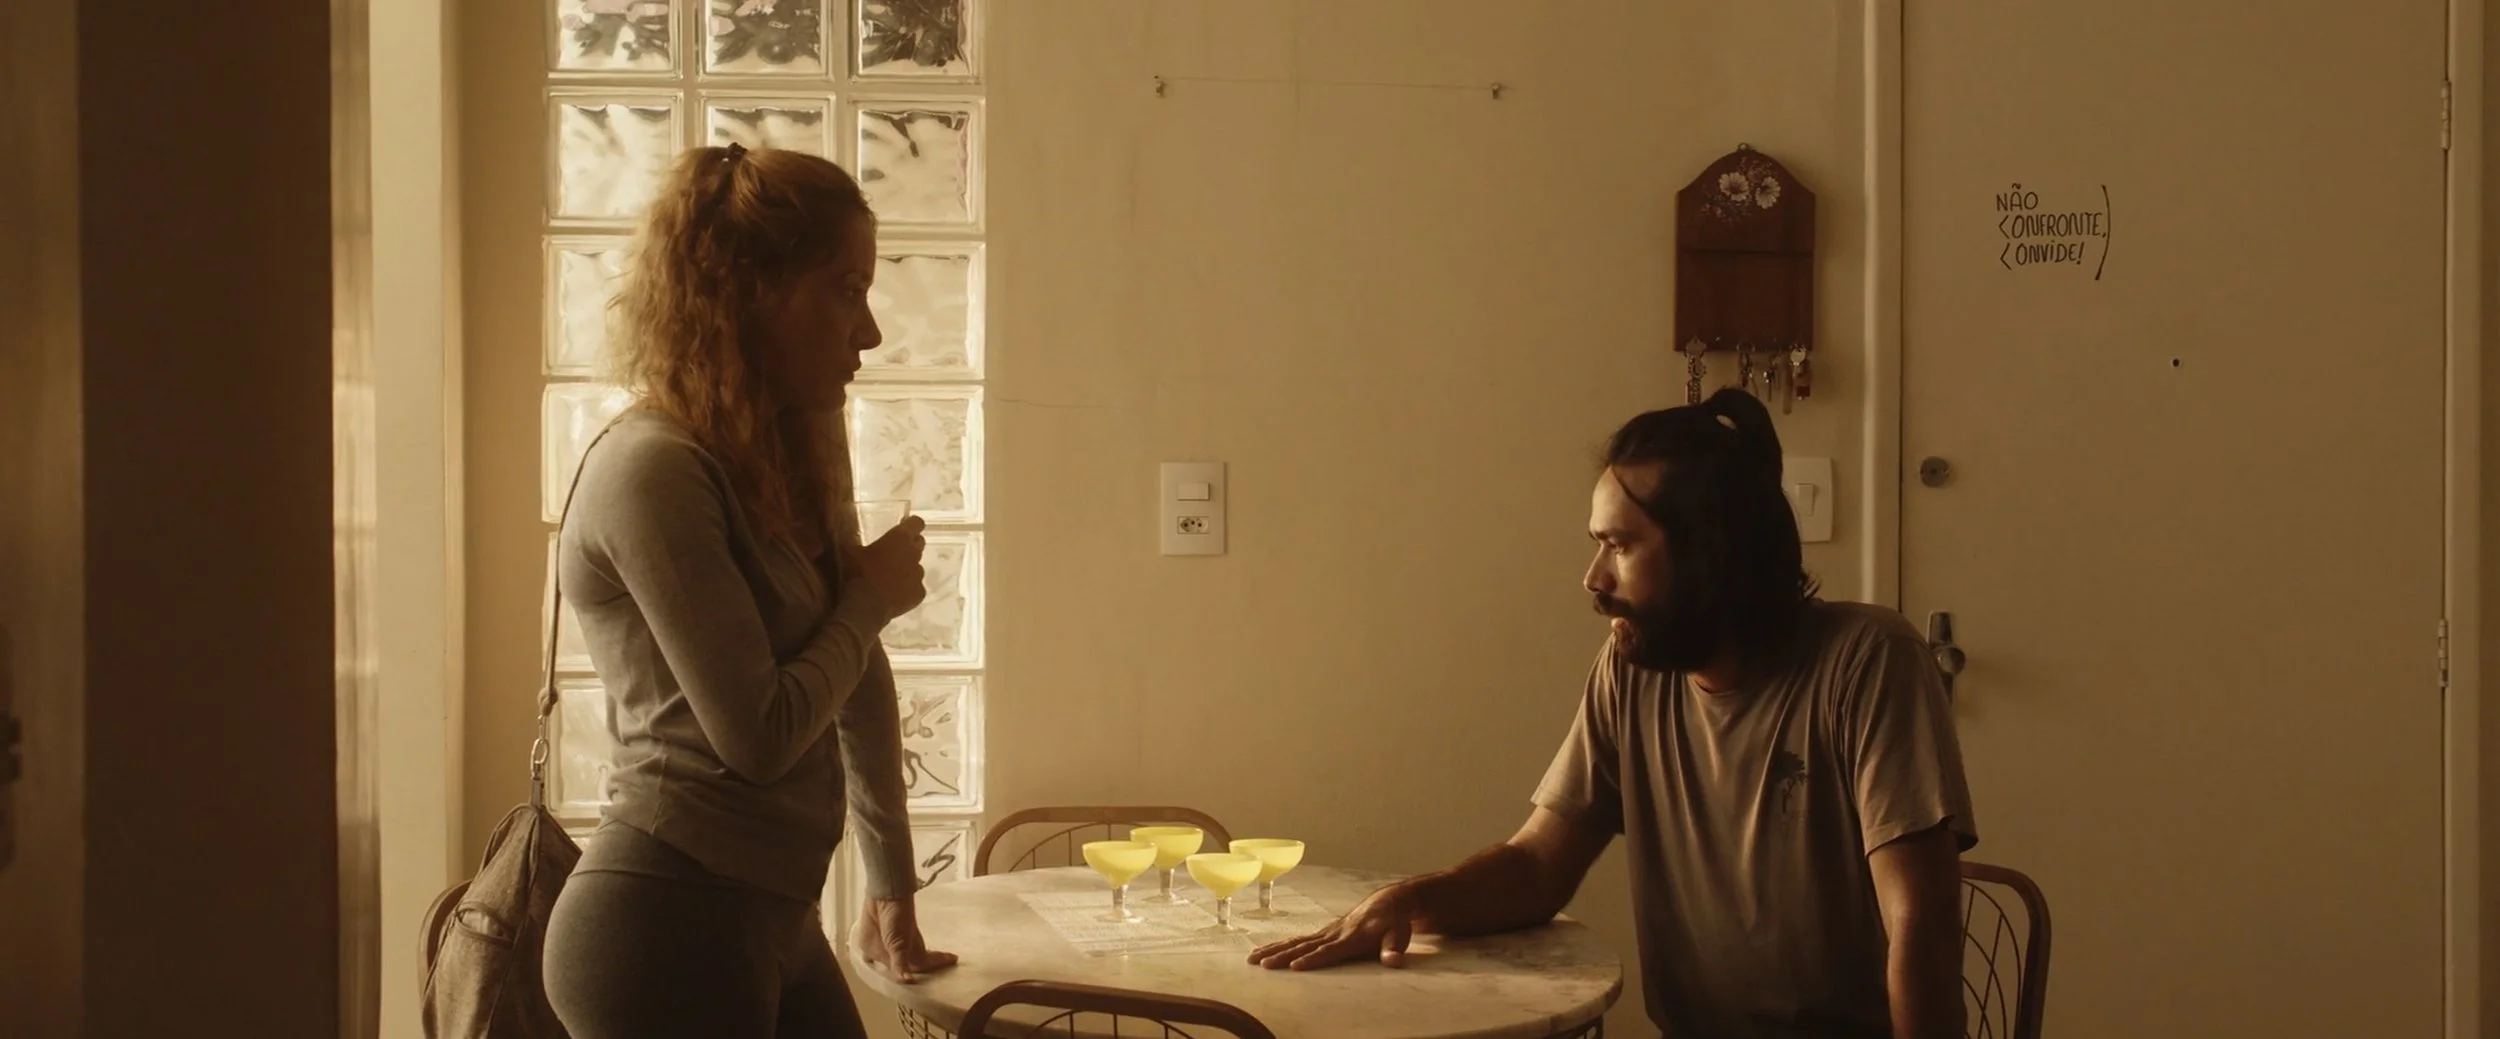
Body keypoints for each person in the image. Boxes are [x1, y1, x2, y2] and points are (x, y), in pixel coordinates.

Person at [1251, 388, 1978, 1039]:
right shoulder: (1632, 669)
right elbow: (1539, 865)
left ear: (1711, 552)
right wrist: (1407, 900)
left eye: (1620, 545)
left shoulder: (1869, 660)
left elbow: (1921, 921)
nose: (1593, 580)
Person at [542, 143, 956, 1039]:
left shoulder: (794, 445)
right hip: (663, 924)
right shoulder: (652, 470)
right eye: (845, 290)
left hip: (773, 915)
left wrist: (889, 879)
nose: (871, 330)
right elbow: (759, 735)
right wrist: (867, 600)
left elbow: (856, 668)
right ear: (747, 291)